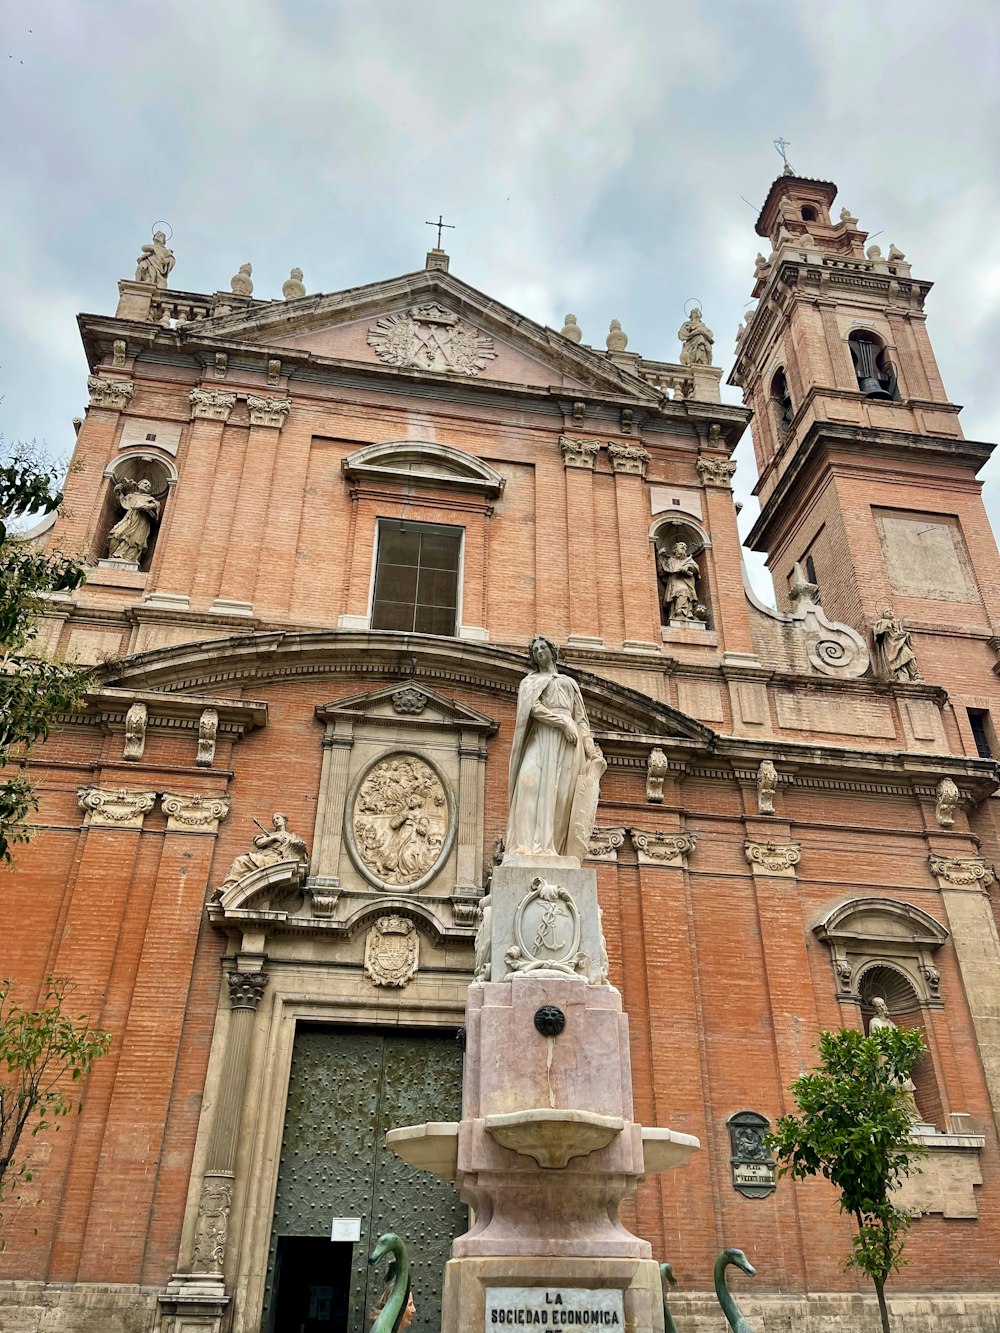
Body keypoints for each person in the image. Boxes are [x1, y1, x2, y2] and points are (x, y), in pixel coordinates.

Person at [505, 635, 605, 863]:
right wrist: (560, 722)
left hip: (568, 744)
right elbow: (532, 708)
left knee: (560, 795)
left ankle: (550, 847)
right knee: (527, 783)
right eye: (535, 650)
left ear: (552, 651)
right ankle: (523, 846)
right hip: (541, 736)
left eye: (543, 647)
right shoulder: (529, 682)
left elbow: (581, 721)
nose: (539, 651)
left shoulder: (569, 683)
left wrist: (591, 751)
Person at [217, 813, 308, 893]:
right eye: (273, 820)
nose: (275, 821)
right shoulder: (270, 835)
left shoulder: (293, 837)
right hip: (265, 857)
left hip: (277, 860)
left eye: (277, 818)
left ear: (284, 820)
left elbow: (301, 853)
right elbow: (258, 842)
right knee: (240, 861)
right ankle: (228, 887)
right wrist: (273, 838)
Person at [868, 997, 921, 1121]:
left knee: (906, 1083)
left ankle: (911, 1115)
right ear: (875, 1009)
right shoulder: (874, 1022)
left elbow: (899, 1038)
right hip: (883, 1058)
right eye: (879, 1006)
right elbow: (876, 1038)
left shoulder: (891, 1023)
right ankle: (893, 1115)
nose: (883, 1008)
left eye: (883, 1005)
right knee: (889, 1083)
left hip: (896, 1058)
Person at [106, 478, 160, 563]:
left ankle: (129, 559)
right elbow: (122, 504)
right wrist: (118, 492)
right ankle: (112, 555)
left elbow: (156, 505)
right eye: (145, 483)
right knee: (116, 533)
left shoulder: (150, 498)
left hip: (141, 522)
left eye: (149, 486)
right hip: (129, 518)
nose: (147, 486)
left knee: (136, 540)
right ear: (138, 484)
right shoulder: (131, 496)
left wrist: (148, 506)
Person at [872, 608, 920, 682]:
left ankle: (915, 675)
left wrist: (904, 634)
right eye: (887, 612)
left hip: (900, 643)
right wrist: (887, 624)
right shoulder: (882, 622)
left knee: (911, 656)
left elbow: (898, 634)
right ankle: (903, 677)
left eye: (890, 611)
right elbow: (878, 633)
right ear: (883, 616)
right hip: (891, 647)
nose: (890, 612)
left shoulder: (896, 623)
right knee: (899, 663)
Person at [657, 541, 701, 621]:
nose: (681, 551)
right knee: (676, 595)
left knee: (684, 592)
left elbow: (695, 568)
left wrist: (687, 567)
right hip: (674, 581)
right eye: (680, 549)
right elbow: (662, 571)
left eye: (683, 549)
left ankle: (685, 613)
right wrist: (660, 557)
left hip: (686, 582)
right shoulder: (671, 561)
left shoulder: (688, 560)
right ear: (675, 550)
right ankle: (676, 613)